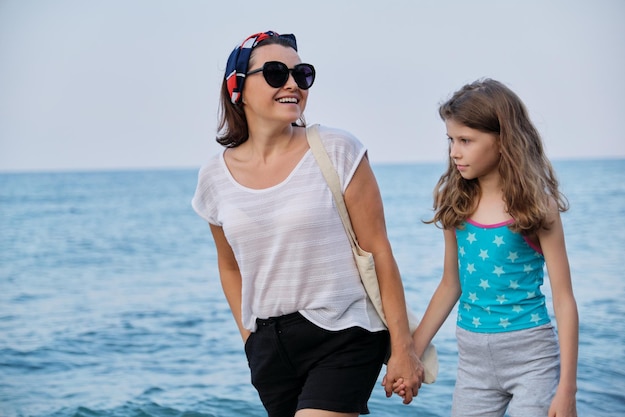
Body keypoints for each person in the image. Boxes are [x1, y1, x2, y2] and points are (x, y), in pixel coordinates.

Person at [191, 30, 422, 417]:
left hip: (344, 332)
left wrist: (403, 349)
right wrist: (249, 338)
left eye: (303, 74)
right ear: (239, 88)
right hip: (269, 350)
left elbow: (379, 251)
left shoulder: (338, 149)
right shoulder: (214, 177)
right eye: (277, 73)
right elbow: (229, 265)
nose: (293, 84)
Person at [395, 78, 579, 416]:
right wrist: (412, 354)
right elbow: (451, 284)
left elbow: (563, 298)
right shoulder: (455, 202)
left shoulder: (537, 207)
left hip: (532, 359)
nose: (454, 151)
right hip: (473, 363)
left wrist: (567, 389)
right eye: (451, 140)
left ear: (503, 141)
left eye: (466, 140)